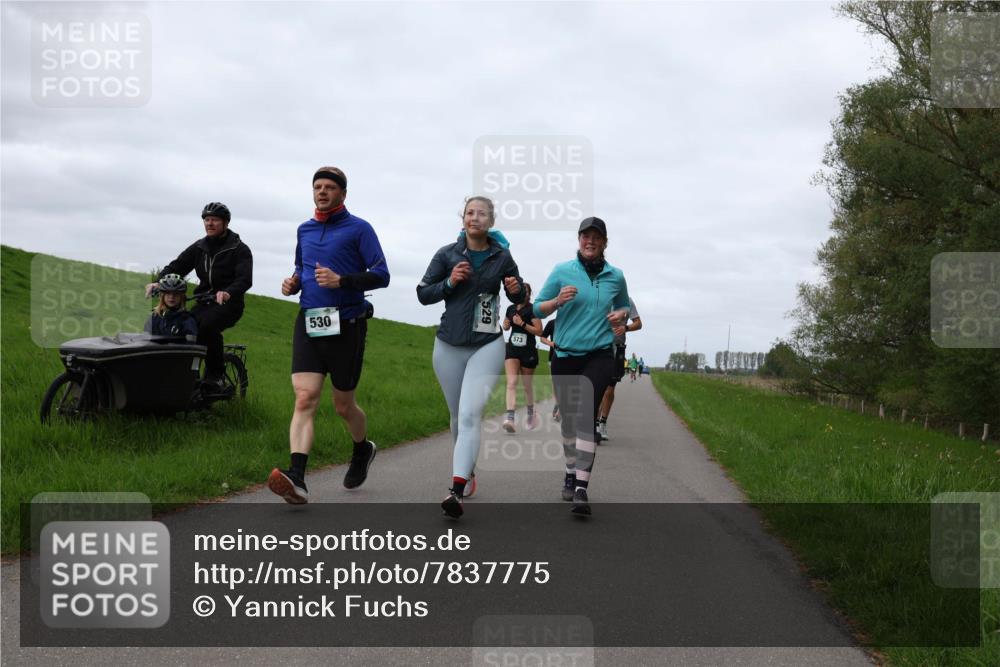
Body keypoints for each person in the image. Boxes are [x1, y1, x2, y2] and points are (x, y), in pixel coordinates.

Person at [268, 167, 390, 505]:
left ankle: (361, 449)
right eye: (317, 187)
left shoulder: (359, 229)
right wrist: (292, 283)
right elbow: (300, 267)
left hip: (347, 325)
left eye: (329, 187)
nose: (322, 192)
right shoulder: (304, 230)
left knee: (342, 405)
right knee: (305, 398)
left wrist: (343, 281)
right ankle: (297, 477)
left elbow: (381, 275)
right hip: (309, 321)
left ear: (343, 194)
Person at [417, 196, 523, 518]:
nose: (474, 218)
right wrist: (450, 282)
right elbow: (423, 293)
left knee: (469, 416)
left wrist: (516, 289)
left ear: (491, 222)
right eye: (469, 212)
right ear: (462, 218)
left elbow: (519, 295)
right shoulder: (446, 253)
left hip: (487, 345)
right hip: (448, 345)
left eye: (481, 214)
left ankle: (456, 490)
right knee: (455, 418)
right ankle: (469, 469)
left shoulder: (502, 256)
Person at [533, 217, 629, 515]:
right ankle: (570, 471)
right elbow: (536, 307)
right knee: (570, 421)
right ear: (579, 240)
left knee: (586, 414)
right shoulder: (562, 271)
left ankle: (581, 489)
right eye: (585, 236)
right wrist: (557, 302)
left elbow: (625, 307)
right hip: (565, 355)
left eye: (596, 237)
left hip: (599, 354)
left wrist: (620, 317)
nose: (590, 241)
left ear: (604, 242)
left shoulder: (616, 275)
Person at [146, 202, 253, 393]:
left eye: (215, 220)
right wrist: (158, 282)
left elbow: (245, 279)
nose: (210, 223)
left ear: (225, 223)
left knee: (206, 328)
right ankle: (186, 377)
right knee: (180, 325)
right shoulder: (199, 247)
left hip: (229, 304)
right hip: (203, 302)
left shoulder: (239, 249)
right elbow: (177, 265)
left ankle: (216, 377)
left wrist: (228, 292)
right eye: (207, 219)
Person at [597, 297, 641, 441]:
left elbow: (638, 323)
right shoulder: (600, 296)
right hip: (596, 346)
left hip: (617, 349)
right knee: (596, 387)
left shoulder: (627, 301)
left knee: (609, 389)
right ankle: (593, 422)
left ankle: (602, 422)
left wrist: (625, 328)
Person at [501, 283, 543, 432]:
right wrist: (506, 325)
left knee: (526, 386)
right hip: (512, 348)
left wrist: (523, 324)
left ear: (529, 294)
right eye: (521, 290)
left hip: (528, 351)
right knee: (511, 382)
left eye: (526, 291)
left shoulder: (534, 309)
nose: (523, 293)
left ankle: (531, 413)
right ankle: (510, 418)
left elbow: (539, 331)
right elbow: (506, 326)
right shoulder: (510, 309)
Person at [144, 274, 198, 341]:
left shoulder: (188, 320)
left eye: (176, 293)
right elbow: (145, 341)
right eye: (168, 293)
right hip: (154, 351)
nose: (171, 297)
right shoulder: (153, 317)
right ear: (162, 295)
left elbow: (191, 347)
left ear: (181, 297)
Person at [538, 317, 560, 422]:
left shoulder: (574, 322)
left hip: (571, 357)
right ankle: (558, 403)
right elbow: (542, 338)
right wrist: (551, 344)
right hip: (553, 357)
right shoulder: (552, 323)